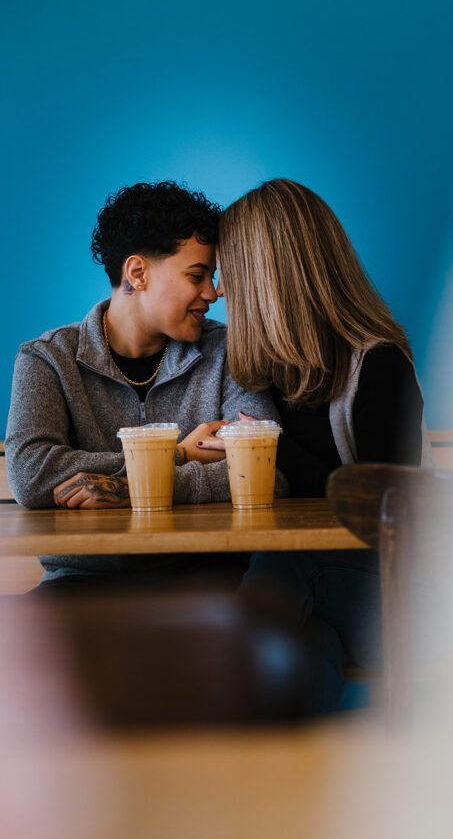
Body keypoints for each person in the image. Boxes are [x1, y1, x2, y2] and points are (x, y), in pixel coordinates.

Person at [205, 178, 432, 707]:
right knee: (307, 646)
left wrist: (272, 449)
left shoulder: (378, 368)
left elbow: (386, 518)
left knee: (292, 561)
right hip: (320, 604)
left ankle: (217, 720)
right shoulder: (264, 378)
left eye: (228, 274)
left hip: (402, 598)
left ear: (267, 278)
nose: (220, 292)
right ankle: (295, 781)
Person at [4, 180, 279, 587]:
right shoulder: (47, 359)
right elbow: (31, 475)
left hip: (208, 579)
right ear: (137, 273)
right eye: (197, 275)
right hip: (81, 581)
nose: (213, 293)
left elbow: (266, 470)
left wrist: (128, 489)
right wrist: (181, 455)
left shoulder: (230, 353)